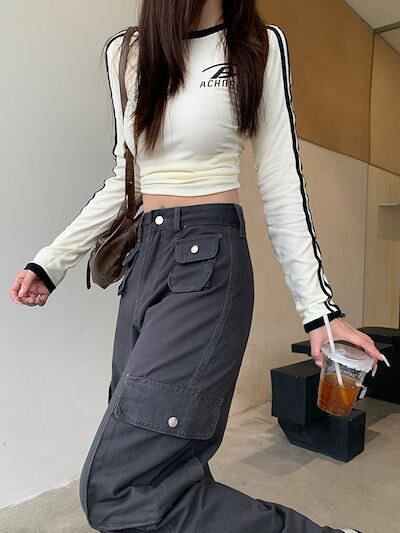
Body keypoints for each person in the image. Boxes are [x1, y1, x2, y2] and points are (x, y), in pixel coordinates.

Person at [9, 1, 385, 532]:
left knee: (124, 488)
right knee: (160, 466)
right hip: (144, 261)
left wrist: (319, 313)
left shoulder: (258, 45)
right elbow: (126, 177)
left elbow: (282, 184)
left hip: (209, 263)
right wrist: (52, 261)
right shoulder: (125, 53)